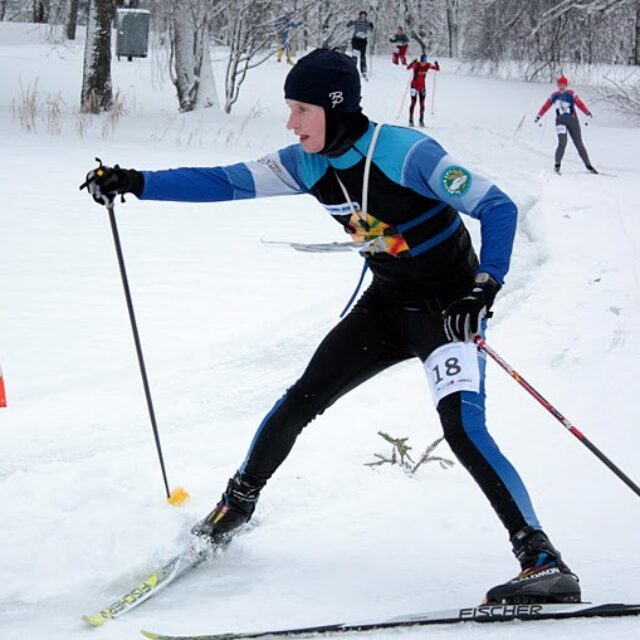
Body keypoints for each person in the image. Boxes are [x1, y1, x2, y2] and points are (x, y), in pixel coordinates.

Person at [81, 48, 581, 606]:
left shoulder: (408, 152)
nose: (290, 123)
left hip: (447, 311)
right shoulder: (304, 163)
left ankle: (541, 561)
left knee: (462, 427)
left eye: (300, 109)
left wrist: (485, 285)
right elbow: (222, 181)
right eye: (289, 109)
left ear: (335, 108)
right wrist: (134, 181)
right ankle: (234, 507)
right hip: (387, 306)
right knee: (301, 398)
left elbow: (498, 207)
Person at [535, 75, 597, 175]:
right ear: (557, 85)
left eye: (563, 85)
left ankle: (589, 165)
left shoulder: (571, 94)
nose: (561, 87)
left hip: (573, 121)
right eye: (560, 84)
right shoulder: (554, 95)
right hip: (560, 122)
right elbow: (546, 106)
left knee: (579, 143)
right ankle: (557, 165)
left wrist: (587, 112)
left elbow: (579, 103)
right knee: (562, 143)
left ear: (566, 85)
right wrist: (539, 115)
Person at [406, 54, 439, 127]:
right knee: (413, 103)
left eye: (424, 62)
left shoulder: (428, 65)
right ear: (420, 61)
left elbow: (437, 69)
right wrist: (412, 62)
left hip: (422, 87)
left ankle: (421, 121)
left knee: (422, 104)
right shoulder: (416, 65)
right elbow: (408, 68)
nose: (423, 64)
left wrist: (437, 64)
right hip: (414, 86)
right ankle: (411, 120)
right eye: (421, 62)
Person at [347, 10, 374, 79]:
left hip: (363, 41)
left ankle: (363, 70)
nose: (363, 17)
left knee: (362, 56)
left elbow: (371, 30)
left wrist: (371, 26)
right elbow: (349, 25)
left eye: (364, 16)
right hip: (356, 40)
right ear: (360, 16)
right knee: (355, 56)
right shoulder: (356, 21)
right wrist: (349, 23)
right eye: (362, 15)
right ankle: (353, 69)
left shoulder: (367, 22)